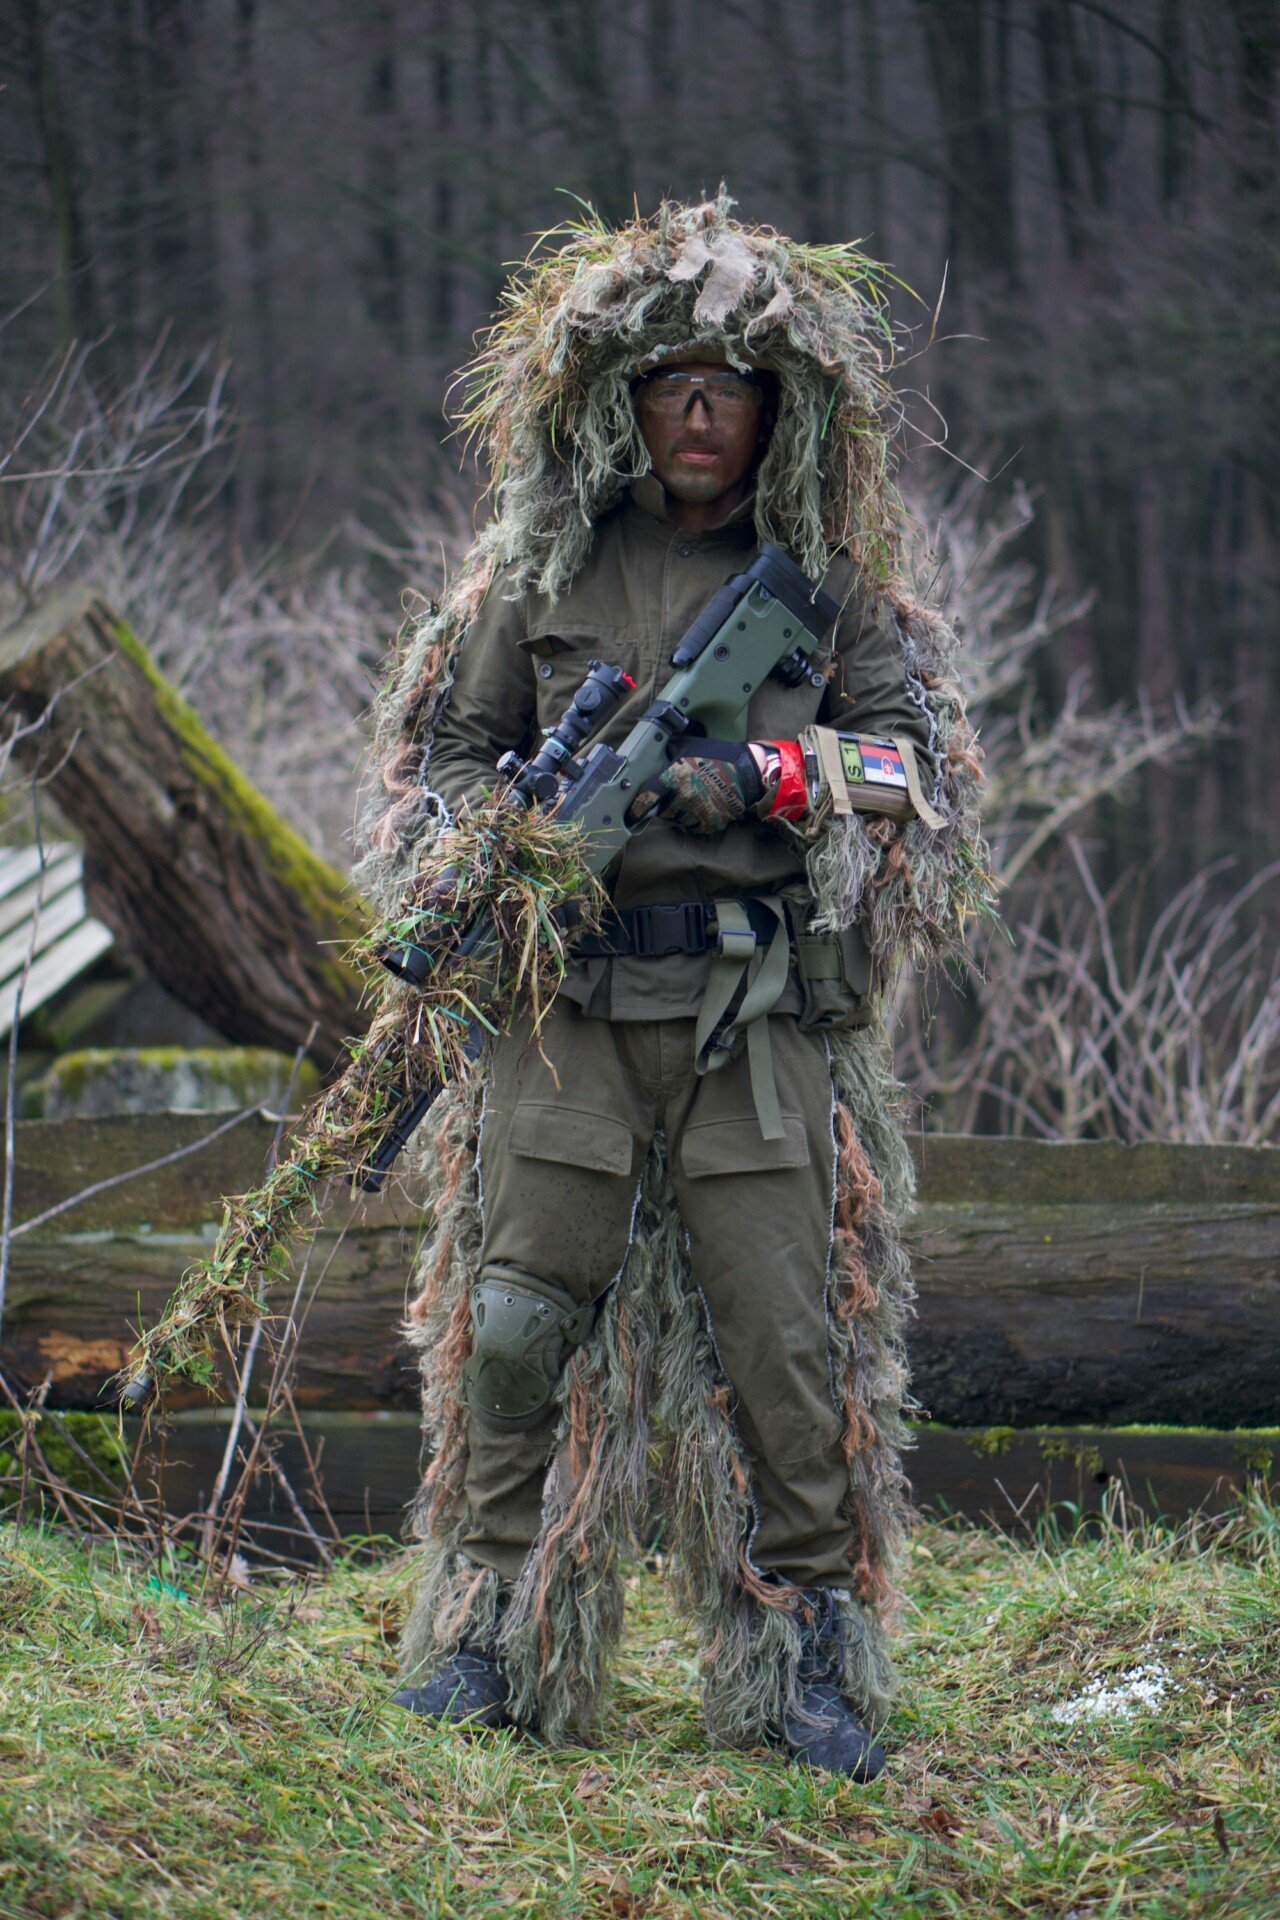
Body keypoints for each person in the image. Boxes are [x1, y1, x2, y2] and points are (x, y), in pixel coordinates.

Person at [356, 195, 985, 1778]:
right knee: (508, 1331)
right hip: (566, 1024)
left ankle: (812, 1667)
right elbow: (446, 750)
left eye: (731, 386)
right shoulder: (545, 573)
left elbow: (915, 774)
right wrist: (503, 845)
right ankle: (488, 1636)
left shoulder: (826, 593)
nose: (700, 412)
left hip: (751, 1030)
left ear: (775, 408)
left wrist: (759, 777)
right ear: (621, 402)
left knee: (789, 1351)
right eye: (671, 384)